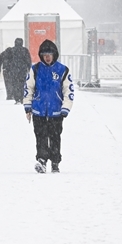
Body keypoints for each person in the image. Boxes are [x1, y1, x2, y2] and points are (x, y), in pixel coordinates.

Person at [23, 40, 75, 174]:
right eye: (44, 54)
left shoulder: (62, 70)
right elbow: (28, 88)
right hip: (38, 111)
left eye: (49, 54)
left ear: (54, 55)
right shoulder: (35, 69)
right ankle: (42, 160)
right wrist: (28, 107)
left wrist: (65, 108)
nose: (47, 57)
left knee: (55, 137)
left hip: (56, 113)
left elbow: (68, 91)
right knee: (40, 137)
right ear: (41, 55)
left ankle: (55, 161)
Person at [7, 38, 33, 104]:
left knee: (15, 84)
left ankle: (17, 98)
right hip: (22, 70)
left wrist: (9, 69)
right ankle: (22, 98)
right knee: (22, 84)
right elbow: (28, 60)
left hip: (14, 70)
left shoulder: (11, 50)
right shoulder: (25, 50)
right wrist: (29, 68)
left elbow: (8, 61)